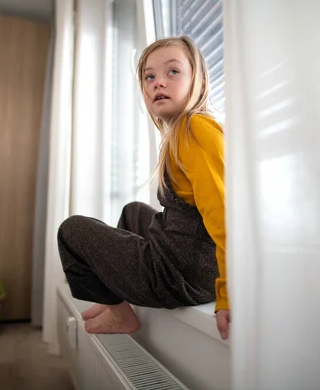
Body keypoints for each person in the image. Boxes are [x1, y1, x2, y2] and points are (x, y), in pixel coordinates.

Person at [57, 36, 230, 340]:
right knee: (133, 211)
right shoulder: (181, 133)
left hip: (181, 275)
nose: (158, 83)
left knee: (71, 230)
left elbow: (223, 214)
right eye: (150, 76)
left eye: (172, 72)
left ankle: (120, 314)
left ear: (199, 83)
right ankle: (114, 300)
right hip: (189, 266)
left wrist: (229, 293)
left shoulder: (195, 129)